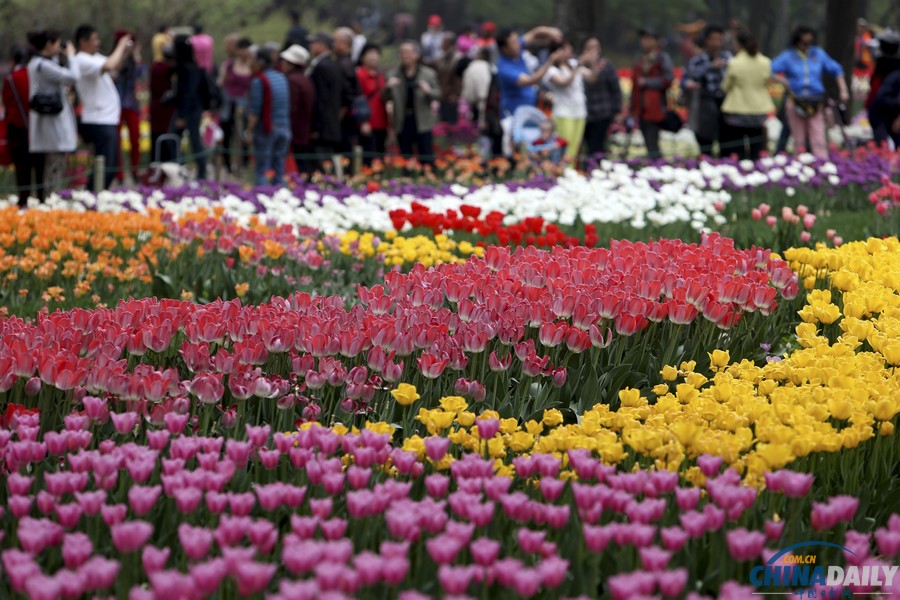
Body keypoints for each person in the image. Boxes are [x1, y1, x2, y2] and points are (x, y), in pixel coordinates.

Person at [771, 25, 848, 158]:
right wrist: (781, 79)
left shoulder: (818, 54)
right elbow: (769, 69)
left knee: (817, 134)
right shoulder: (789, 56)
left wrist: (843, 89)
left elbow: (836, 69)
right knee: (799, 138)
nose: (806, 45)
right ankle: (799, 165)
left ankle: (821, 164)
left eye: (809, 42)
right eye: (803, 42)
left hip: (815, 100)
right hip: (796, 100)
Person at [71, 24, 133, 190]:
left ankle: (95, 197)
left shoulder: (95, 57)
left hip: (107, 118)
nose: (98, 42)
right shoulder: (81, 60)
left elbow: (115, 66)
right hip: (98, 119)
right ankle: (91, 198)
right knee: (104, 166)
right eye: (95, 39)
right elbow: (109, 65)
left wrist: (125, 52)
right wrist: (120, 45)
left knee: (110, 166)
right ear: (83, 42)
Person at [26, 29, 80, 199]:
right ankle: (51, 201)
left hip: (47, 125)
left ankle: (49, 199)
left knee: (50, 168)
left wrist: (61, 56)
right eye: (57, 43)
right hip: (53, 127)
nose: (60, 47)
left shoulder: (38, 63)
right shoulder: (44, 66)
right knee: (54, 168)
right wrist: (72, 56)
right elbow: (73, 76)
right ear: (49, 44)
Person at [496, 26, 563, 155]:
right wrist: (550, 61)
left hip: (529, 114)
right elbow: (531, 80)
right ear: (504, 48)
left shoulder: (517, 50)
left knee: (532, 150)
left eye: (517, 41)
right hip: (514, 116)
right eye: (513, 43)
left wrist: (550, 32)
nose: (518, 45)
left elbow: (534, 34)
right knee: (518, 151)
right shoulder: (504, 67)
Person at [720, 32, 775, 161]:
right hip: (759, 110)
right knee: (757, 146)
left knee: (737, 148)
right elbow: (766, 83)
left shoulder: (734, 63)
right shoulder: (766, 62)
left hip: (737, 110)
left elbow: (725, 87)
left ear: (739, 45)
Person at [384, 40, 440, 164]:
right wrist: (388, 87)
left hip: (422, 121)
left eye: (408, 52)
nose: (405, 55)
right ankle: (407, 180)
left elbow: (438, 94)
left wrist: (428, 91)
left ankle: (428, 179)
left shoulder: (428, 74)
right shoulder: (393, 74)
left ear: (416, 55)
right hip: (402, 120)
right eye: (402, 52)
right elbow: (384, 98)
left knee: (426, 156)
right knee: (405, 156)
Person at [683, 25, 732, 157]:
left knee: (726, 142)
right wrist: (710, 66)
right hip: (705, 104)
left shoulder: (728, 57)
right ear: (706, 40)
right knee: (705, 141)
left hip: (725, 103)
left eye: (719, 39)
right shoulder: (697, 60)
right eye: (713, 39)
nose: (716, 43)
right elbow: (690, 76)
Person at [246, 46, 291, 186]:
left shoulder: (258, 81)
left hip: (267, 130)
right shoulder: (281, 77)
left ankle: (263, 196)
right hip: (284, 128)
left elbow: (255, 111)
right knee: (279, 168)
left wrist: (249, 130)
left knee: (262, 169)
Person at [3, 44, 40, 204]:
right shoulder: (37, 75)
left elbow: (7, 103)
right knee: (39, 168)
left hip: (18, 130)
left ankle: (23, 202)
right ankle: (42, 201)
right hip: (39, 129)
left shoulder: (11, 79)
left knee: (22, 169)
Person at [630, 28, 674, 159]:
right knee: (649, 143)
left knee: (652, 143)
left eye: (648, 38)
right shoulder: (640, 60)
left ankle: (657, 166)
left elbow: (668, 79)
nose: (645, 42)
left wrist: (647, 82)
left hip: (655, 109)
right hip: (641, 108)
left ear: (656, 41)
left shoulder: (662, 58)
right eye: (643, 39)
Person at [543, 41, 589, 161]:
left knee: (574, 149)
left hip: (580, 111)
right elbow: (565, 82)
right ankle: (559, 173)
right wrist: (577, 66)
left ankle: (570, 173)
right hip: (563, 112)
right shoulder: (550, 70)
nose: (568, 52)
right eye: (564, 49)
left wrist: (592, 62)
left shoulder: (573, 64)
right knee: (564, 147)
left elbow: (592, 77)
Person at [170, 34, 208, 179]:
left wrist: (182, 115)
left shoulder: (188, 68)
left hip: (190, 110)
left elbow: (189, 93)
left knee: (193, 140)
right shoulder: (187, 66)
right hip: (190, 108)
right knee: (181, 138)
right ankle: (181, 168)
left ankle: (200, 172)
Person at [113, 29, 146, 184]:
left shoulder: (135, 61)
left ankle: (135, 171)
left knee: (135, 139)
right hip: (117, 105)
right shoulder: (114, 58)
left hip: (132, 105)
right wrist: (123, 53)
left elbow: (142, 74)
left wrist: (136, 54)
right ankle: (119, 174)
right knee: (117, 141)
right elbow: (114, 72)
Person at [218, 35, 254, 175]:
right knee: (227, 135)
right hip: (229, 105)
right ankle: (227, 165)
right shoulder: (229, 65)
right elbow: (221, 83)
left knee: (244, 136)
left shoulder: (253, 65)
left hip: (245, 106)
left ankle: (244, 165)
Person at [581, 37, 622, 157]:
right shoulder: (579, 65)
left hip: (602, 112)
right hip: (584, 113)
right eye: (589, 48)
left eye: (595, 48)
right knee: (586, 147)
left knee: (597, 146)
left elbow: (615, 89)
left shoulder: (607, 65)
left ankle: (596, 167)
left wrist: (617, 110)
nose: (592, 51)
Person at [307, 33, 344, 164]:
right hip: (331, 124)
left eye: (313, 43)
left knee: (323, 163)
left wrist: (316, 127)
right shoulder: (333, 64)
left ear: (322, 45)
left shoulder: (322, 66)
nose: (310, 46)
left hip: (323, 126)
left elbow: (321, 99)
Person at [281, 44, 316, 175]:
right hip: (305, 130)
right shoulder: (306, 80)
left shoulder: (292, 81)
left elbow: (292, 107)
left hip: (296, 131)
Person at [355, 43, 389, 163]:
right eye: (370, 54)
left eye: (376, 54)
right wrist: (363, 121)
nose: (373, 57)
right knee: (369, 158)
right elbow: (357, 100)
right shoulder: (359, 75)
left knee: (380, 157)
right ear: (362, 57)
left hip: (382, 123)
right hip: (367, 123)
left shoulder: (380, 77)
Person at [334, 27, 360, 154]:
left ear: (344, 44)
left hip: (345, 118)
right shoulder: (344, 62)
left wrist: (342, 111)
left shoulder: (345, 65)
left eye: (335, 41)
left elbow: (350, 93)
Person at [149, 43, 176, 162]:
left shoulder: (155, 66)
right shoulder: (169, 69)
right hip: (165, 107)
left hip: (155, 105)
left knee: (156, 135)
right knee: (166, 135)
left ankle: (155, 162)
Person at [435, 34, 462, 124]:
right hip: (443, 93)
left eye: (444, 42)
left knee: (452, 121)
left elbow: (458, 78)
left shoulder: (457, 58)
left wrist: (455, 93)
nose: (441, 44)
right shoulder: (442, 58)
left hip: (452, 95)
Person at [871, 69, 900, 148]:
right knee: (882, 144)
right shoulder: (894, 78)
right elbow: (881, 98)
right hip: (880, 116)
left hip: (893, 116)